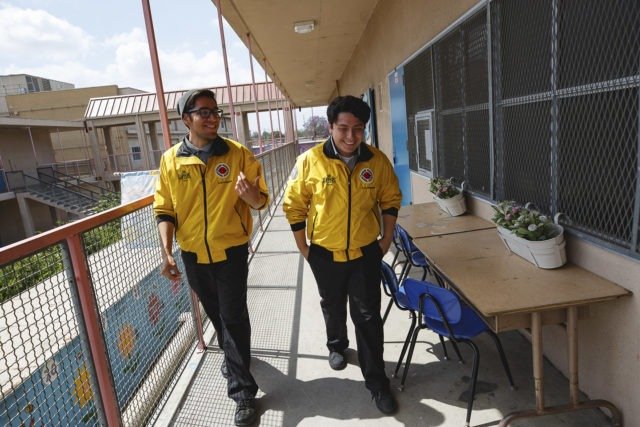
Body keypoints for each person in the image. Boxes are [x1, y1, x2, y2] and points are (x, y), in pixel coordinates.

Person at [154, 88, 269, 426]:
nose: (212, 117)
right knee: (216, 313)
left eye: (215, 111)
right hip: (192, 254)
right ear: (186, 118)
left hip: (230, 251)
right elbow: (164, 209)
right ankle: (236, 358)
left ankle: (243, 392)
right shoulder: (171, 161)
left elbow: (261, 200)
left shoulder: (238, 155)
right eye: (203, 111)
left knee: (232, 316)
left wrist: (252, 198)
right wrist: (167, 252)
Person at [283, 95, 402, 415]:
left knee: (367, 317)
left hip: (365, 253)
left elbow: (391, 198)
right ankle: (336, 346)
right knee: (332, 305)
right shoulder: (309, 161)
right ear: (330, 127)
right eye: (344, 128)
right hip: (324, 252)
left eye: (358, 129)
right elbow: (294, 205)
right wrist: (304, 247)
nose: (351, 137)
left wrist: (386, 238)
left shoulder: (376, 161)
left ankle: (377, 382)